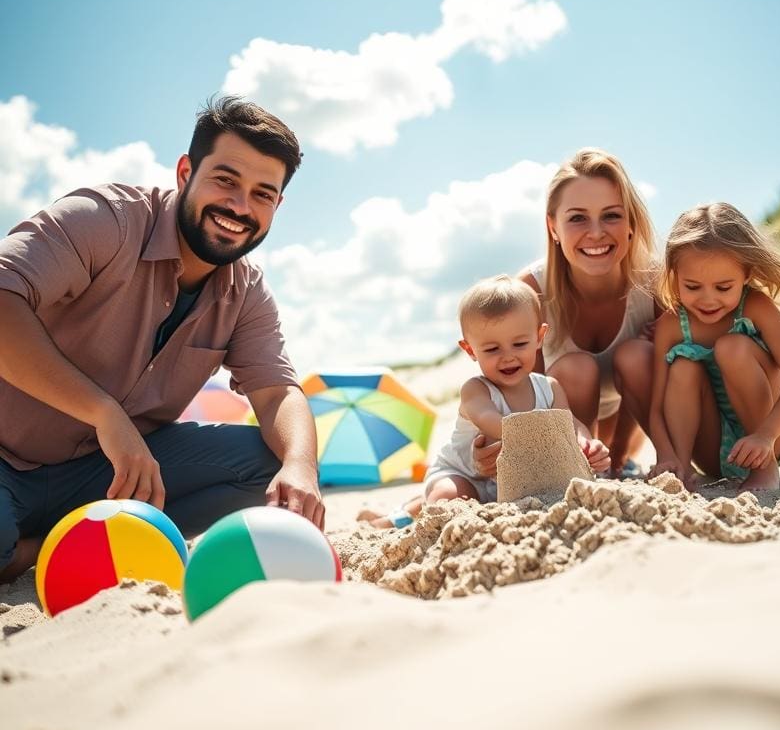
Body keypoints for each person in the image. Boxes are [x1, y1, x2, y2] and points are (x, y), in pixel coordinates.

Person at [0, 96, 324, 584]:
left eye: (262, 193)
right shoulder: (104, 218)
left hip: (106, 476)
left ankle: (60, 541)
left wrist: (301, 467)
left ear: (277, 205)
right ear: (185, 171)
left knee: (270, 471)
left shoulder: (248, 289)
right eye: (226, 180)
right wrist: (103, 412)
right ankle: (45, 547)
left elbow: (278, 389)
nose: (239, 206)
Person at [358, 275, 610, 528]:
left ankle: (405, 508)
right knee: (446, 499)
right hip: (465, 475)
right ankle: (394, 520)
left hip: (517, 483)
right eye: (492, 349)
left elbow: (570, 424)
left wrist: (586, 445)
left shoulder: (549, 388)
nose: (508, 356)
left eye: (519, 343)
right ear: (470, 350)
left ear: (539, 336)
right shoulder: (476, 390)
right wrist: (549, 438)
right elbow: (491, 421)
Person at [473, 148, 658, 480]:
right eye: (577, 218)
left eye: (612, 215)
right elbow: (515, 392)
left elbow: (678, 378)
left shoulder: (654, 284)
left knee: (643, 355)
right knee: (575, 368)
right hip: (560, 426)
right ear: (553, 227)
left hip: (627, 428)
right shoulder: (529, 292)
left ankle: (619, 464)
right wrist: (490, 448)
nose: (597, 232)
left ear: (631, 222)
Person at [648, 202, 780, 492]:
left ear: (747, 274)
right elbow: (657, 406)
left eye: (723, 288)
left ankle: (765, 468)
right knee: (684, 366)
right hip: (715, 450)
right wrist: (668, 455)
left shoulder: (755, 306)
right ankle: (683, 471)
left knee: (732, 348)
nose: (708, 300)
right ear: (674, 274)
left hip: (776, 433)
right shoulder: (670, 326)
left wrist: (766, 436)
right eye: (692, 287)